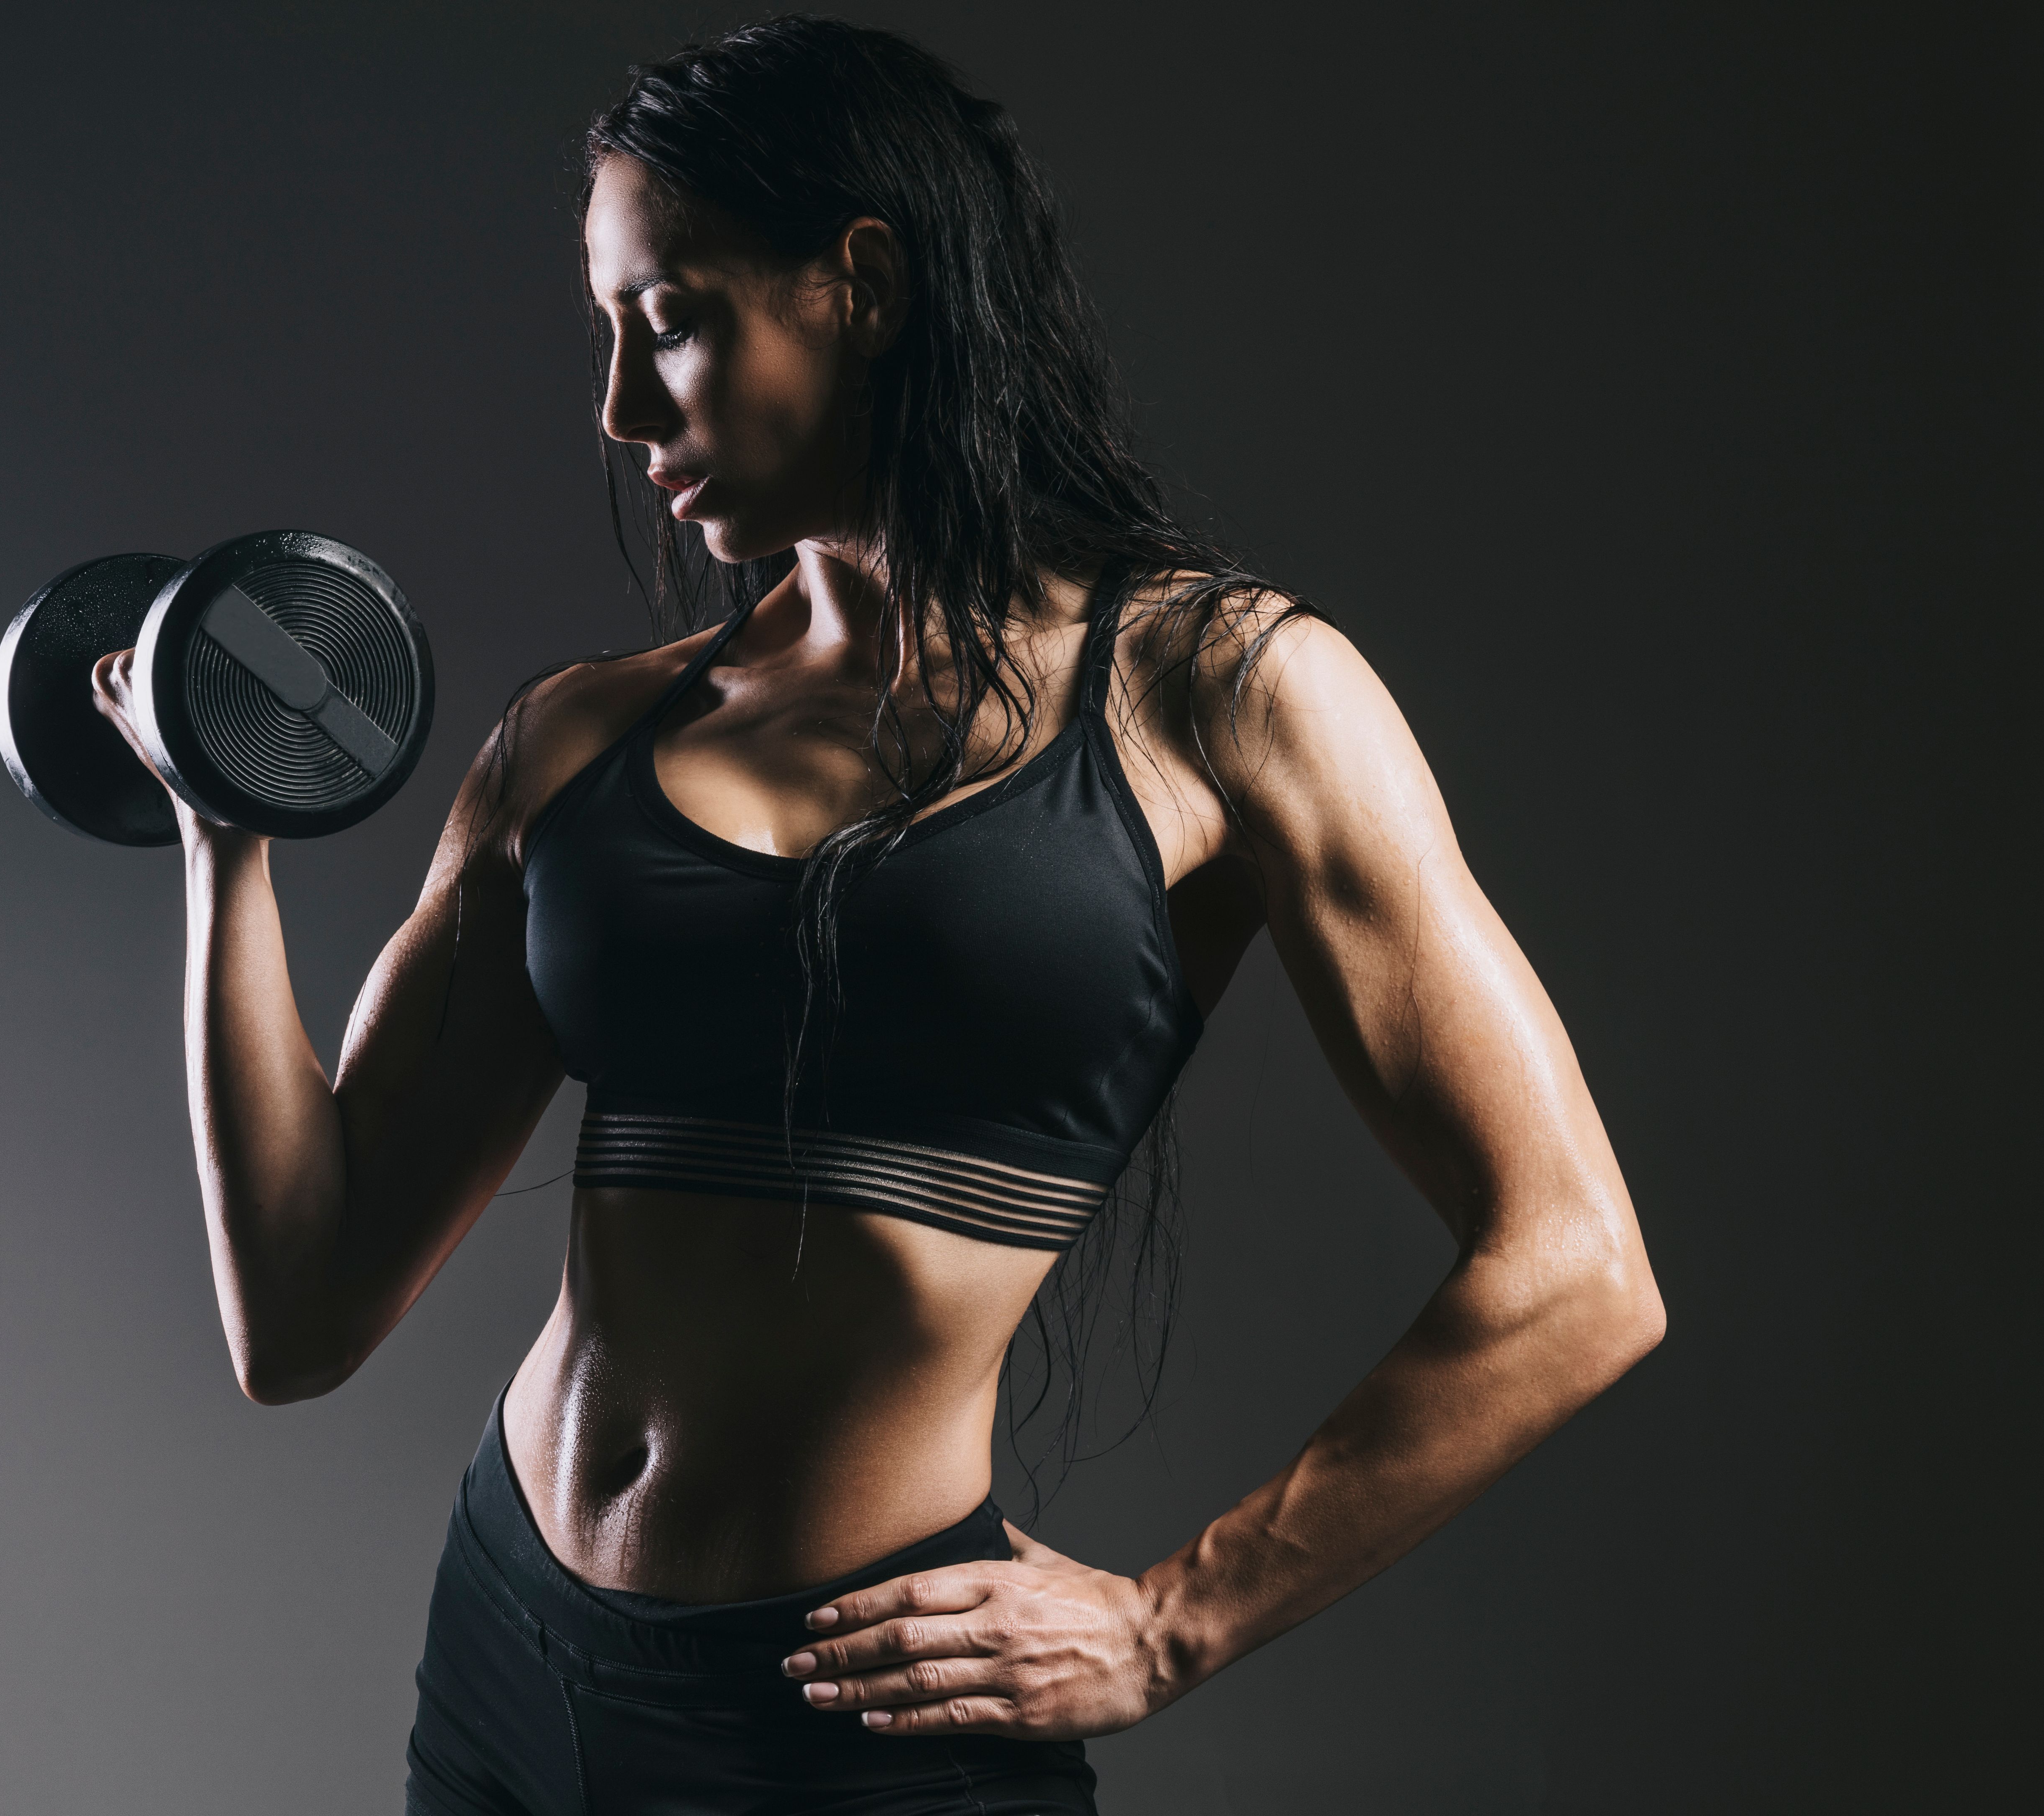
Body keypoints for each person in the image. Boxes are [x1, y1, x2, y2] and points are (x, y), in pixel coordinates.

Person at [93, 17, 1663, 1813]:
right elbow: (296, 1314)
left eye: (667, 320)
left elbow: (1572, 1273)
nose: (618, 408)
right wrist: (226, 842)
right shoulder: (585, 737)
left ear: (856, 284)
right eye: (608, 333)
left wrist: (1170, 1624)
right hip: (510, 1661)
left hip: (854, 1726)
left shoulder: (1221, 695)